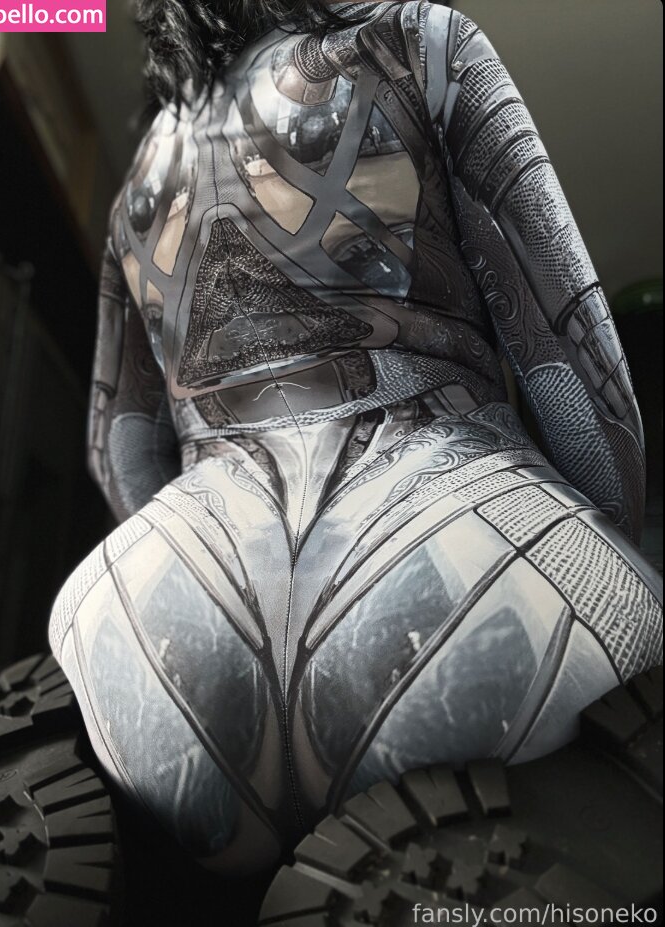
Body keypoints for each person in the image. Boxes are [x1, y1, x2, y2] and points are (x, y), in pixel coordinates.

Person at [49, 0, 663, 873]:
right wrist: (604, 565)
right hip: (464, 573)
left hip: (158, 633)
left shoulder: (137, 186)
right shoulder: (416, 45)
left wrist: (176, 607)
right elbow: (579, 382)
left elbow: (119, 452)